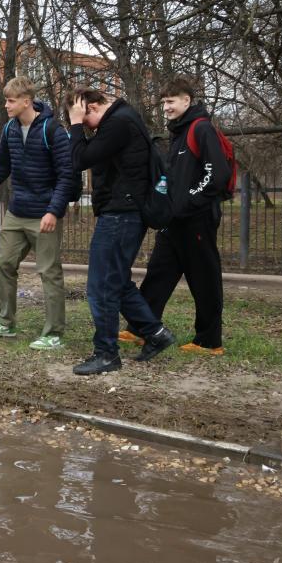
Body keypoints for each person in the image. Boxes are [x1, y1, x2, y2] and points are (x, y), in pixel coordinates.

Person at [67, 86, 175, 375]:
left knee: (100, 286)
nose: (83, 127)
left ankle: (106, 354)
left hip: (121, 215)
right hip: (123, 213)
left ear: (90, 108)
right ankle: (156, 333)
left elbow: (79, 159)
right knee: (117, 282)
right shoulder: (123, 120)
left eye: (82, 117)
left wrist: (76, 124)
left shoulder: (118, 123)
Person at [123, 77, 231, 355]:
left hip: (197, 219)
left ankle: (209, 341)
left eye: (171, 101)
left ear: (187, 100)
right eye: (164, 103)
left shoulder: (201, 128)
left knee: (204, 278)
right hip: (174, 221)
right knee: (159, 273)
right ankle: (140, 328)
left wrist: (189, 202)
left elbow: (216, 174)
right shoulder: (179, 133)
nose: (166, 108)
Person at [0, 76, 76, 350]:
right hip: (18, 211)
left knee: (49, 272)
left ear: (26, 101)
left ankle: (54, 333)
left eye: (11, 100)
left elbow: (67, 175)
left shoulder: (53, 130)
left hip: (45, 213)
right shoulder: (9, 130)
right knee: (3, 262)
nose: (6, 105)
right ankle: (5, 323)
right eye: (6, 100)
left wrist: (54, 210)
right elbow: (2, 168)